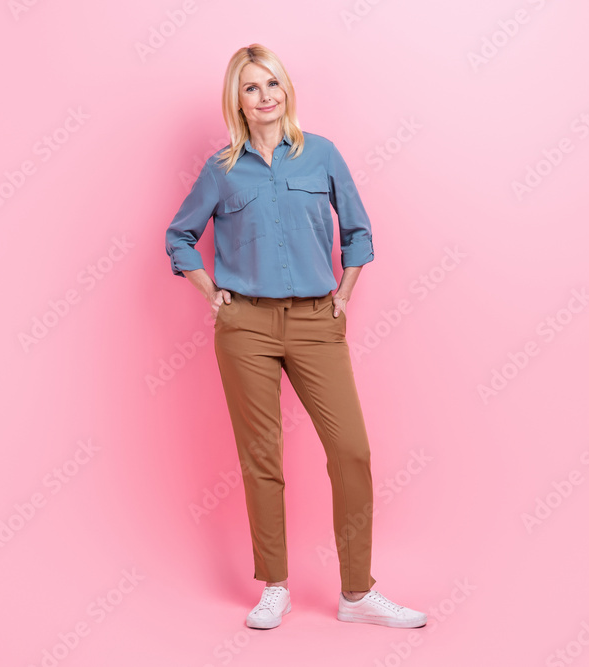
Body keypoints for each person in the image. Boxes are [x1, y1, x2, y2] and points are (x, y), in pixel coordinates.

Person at [165, 43, 426, 630]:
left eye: (272, 84)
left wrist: (346, 292)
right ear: (237, 99)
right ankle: (275, 585)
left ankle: (357, 594)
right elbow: (180, 237)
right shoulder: (221, 169)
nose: (264, 97)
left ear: (287, 90)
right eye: (251, 88)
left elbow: (358, 230)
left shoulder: (322, 155)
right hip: (246, 327)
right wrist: (212, 293)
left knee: (352, 451)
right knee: (262, 459)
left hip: (315, 321)